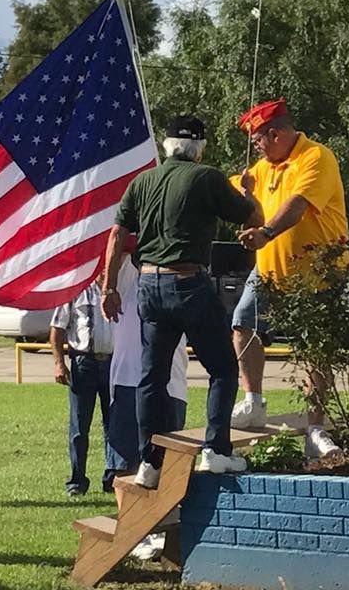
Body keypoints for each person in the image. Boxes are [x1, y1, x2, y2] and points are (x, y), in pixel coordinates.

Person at [102, 114, 263, 488]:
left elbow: (115, 236)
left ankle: (149, 461)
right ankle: (216, 450)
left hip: (148, 285)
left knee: (151, 377)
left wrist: (109, 288)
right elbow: (252, 217)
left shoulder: (142, 181)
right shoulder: (205, 177)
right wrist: (249, 190)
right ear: (200, 148)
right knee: (222, 368)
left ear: (166, 145)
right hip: (188, 281)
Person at [230, 97, 349, 458]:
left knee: (316, 349)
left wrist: (265, 232)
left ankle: (316, 427)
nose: (257, 147)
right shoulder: (264, 168)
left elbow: (296, 206)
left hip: (318, 274)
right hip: (268, 271)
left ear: (277, 134)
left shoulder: (316, 158)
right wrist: (240, 196)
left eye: (259, 140)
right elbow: (238, 190)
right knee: (242, 324)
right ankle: (253, 401)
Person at [107, 242, 189, 560]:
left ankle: (158, 533)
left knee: (167, 469)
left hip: (172, 386)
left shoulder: (186, 280)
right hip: (130, 383)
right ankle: (135, 533)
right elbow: (117, 243)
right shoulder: (130, 277)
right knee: (125, 465)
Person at [50, 280, 117, 496]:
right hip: (83, 364)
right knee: (79, 427)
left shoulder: (118, 291)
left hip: (113, 364)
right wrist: (59, 363)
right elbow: (57, 329)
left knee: (114, 424)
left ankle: (112, 477)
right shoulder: (76, 289)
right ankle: (77, 481)